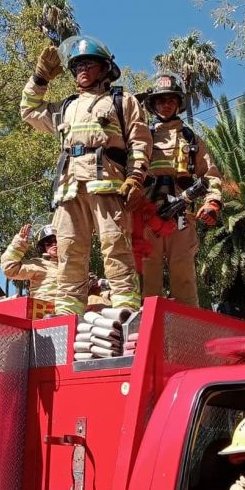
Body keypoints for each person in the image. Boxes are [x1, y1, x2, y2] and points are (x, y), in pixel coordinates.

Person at [20, 36, 152, 316]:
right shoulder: (66, 106)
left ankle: (126, 308)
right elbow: (29, 110)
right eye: (77, 64)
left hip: (108, 185)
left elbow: (140, 141)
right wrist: (40, 77)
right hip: (69, 189)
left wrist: (136, 177)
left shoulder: (121, 100)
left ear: (105, 68)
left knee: (115, 245)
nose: (81, 69)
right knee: (69, 252)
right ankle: (68, 313)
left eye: (88, 63)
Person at [139, 72, 222, 306]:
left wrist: (212, 202)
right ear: (152, 104)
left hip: (182, 216)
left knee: (183, 271)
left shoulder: (191, 138)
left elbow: (210, 174)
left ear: (178, 104)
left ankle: (187, 324)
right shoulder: (142, 137)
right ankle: (147, 326)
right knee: (148, 273)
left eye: (171, 100)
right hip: (148, 216)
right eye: (160, 100)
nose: (166, 105)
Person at [0, 224, 58, 302]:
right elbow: (10, 270)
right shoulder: (37, 264)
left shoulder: (74, 265)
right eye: (49, 242)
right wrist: (19, 243)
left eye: (57, 241)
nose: (54, 244)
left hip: (72, 312)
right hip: (44, 311)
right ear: (43, 246)